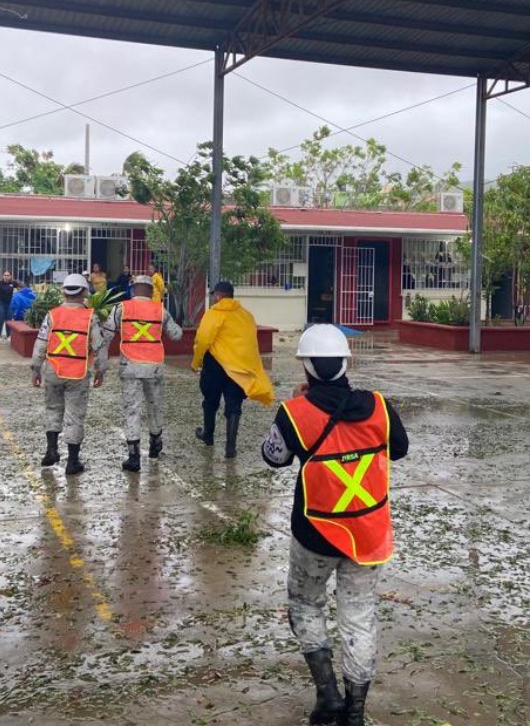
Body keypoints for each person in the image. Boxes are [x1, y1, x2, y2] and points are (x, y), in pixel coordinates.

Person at [260, 324, 409, 726]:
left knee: (305, 603)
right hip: (369, 533)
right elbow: (400, 449)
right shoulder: (378, 406)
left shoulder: (294, 413)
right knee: (359, 614)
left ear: (305, 367)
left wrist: (298, 407)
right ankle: (355, 712)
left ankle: (327, 695)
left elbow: (273, 456)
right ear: (348, 362)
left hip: (316, 534)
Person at [100, 275, 183, 472]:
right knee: (155, 406)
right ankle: (155, 444)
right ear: (151, 290)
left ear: (133, 288)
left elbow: (106, 337)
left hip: (130, 365)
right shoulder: (160, 310)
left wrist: (101, 368)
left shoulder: (121, 308)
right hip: (154, 366)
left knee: (132, 409)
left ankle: (133, 457)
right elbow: (177, 335)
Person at [33, 273, 106, 475]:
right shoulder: (90, 317)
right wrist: (101, 370)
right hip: (77, 373)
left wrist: (36, 368)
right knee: (75, 415)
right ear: (84, 292)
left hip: (53, 370)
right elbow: (99, 346)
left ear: (64, 292)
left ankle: (51, 450)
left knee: (52, 409)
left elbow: (40, 343)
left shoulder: (52, 315)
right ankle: (72, 462)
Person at [191, 281, 275, 458]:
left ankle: (208, 435)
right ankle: (230, 448)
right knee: (234, 405)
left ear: (218, 296)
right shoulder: (246, 316)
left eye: (215, 295)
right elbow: (251, 343)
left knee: (210, 401)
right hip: (238, 368)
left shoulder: (213, 314)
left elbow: (203, 340)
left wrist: (196, 362)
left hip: (215, 365)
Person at [0, 269, 22, 342]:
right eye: (5, 275)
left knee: (8, 321)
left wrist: (17, 299)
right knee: (0, 320)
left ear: (10, 276)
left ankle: (8, 336)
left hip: (10, 304)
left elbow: (21, 290)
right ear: (3, 276)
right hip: (1, 304)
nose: (6, 277)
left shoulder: (13, 283)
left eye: (8, 275)